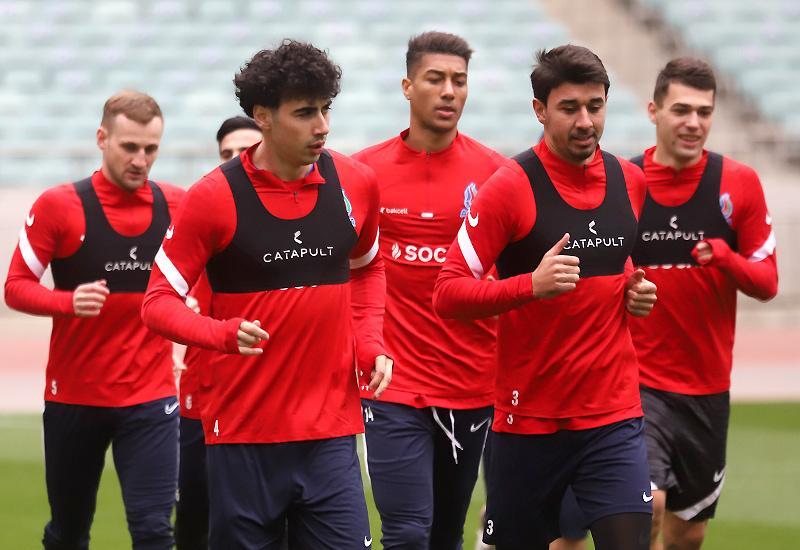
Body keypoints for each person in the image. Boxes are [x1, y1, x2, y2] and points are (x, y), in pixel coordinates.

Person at [141, 40, 391, 549]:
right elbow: (157, 303)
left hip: (331, 435)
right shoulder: (213, 197)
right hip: (242, 438)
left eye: (325, 109)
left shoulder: (357, 183)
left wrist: (369, 342)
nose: (322, 126)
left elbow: (368, 269)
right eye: (304, 113)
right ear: (263, 117)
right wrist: (221, 334)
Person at [433, 45, 658, 550]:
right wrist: (529, 286)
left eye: (595, 106)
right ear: (540, 109)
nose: (586, 122)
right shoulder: (510, 187)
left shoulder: (630, 181)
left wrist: (635, 289)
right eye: (569, 108)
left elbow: (618, 262)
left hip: (613, 416)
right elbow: (447, 292)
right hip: (528, 422)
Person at [4, 91, 184, 550]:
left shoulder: (176, 205)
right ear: (102, 138)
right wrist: (67, 301)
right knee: (68, 533)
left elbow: (209, 279)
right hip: (75, 399)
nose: (141, 160)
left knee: (154, 531)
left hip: (151, 398)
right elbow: (15, 287)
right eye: (129, 147)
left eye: (151, 148)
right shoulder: (59, 206)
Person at [352, 31, 506, 549]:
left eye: (459, 80)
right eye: (435, 79)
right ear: (407, 86)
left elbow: (520, 274)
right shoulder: (363, 173)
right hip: (391, 384)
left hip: (471, 381)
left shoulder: (496, 174)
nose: (449, 91)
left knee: (445, 534)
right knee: (406, 533)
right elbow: (346, 271)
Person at [629, 58, 778, 550]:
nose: (693, 122)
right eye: (681, 110)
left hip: (706, 387)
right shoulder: (624, 181)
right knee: (645, 506)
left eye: (704, 112)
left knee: (687, 535)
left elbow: (767, 282)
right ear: (654, 111)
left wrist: (726, 258)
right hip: (634, 380)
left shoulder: (739, 183)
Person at [173, 115, 262, 550]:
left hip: (263, 401)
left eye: (245, 151)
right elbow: (161, 297)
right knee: (193, 525)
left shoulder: (295, 222)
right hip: (200, 399)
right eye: (226, 154)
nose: (235, 160)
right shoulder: (202, 213)